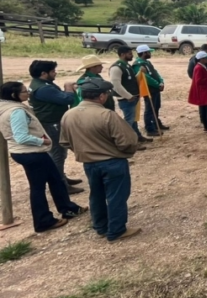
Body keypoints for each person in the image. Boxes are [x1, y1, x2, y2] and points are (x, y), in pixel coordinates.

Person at [60, 78, 141, 242]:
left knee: (96, 195)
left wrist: (84, 150)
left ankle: (101, 227)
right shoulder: (107, 115)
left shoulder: (68, 114)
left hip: (89, 164)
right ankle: (117, 230)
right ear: (102, 96)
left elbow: (65, 141)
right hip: (112, 162)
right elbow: (127, 141)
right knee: (116, 196)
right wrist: (123, 152)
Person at [0, 82, 87, 233]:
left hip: (23, 152)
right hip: (31, 152)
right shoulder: (16, 111)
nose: (28, 93)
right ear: (14, 95)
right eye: (24, 92)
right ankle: (44, 220)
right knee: (39, 187)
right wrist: (43, 141)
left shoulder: (5, 108)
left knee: (53, 180)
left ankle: (67, 208)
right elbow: (21, 136)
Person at [27, 60, 86, 195]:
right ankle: (61, 184)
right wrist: (68, 89)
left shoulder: (40, 84)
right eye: (53, 71)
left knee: (59, 153)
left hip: (50, 121)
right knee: (58, 154)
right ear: (43, 73)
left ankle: (62, 178)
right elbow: (67, 99)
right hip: (51, 123)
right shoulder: (44, 88)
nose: (55, 73)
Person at [109, 46, 150, 148]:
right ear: (122, 54)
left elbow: (132, 80)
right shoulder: (116, 67)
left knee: (134, 119)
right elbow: (116, 85)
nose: (132, 56)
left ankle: (137, 136)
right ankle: (130, 142)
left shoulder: (126, 65)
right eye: (129, 54)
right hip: (126, 99)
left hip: (133, 97)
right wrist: (128, 96)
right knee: (129, 121)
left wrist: (140, 73)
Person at [132, 45, 168, 138]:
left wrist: (161, 81)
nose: (150, 53)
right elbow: (146, 78)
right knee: (150, 109)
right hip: (149, 90)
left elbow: (156, 73)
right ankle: (150, 128)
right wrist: (157, 84)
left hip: (155, 89)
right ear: (144, 53)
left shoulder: (147, 62)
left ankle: (156, 123)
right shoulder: (138, 64)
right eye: (148, 52)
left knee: (156, 107)